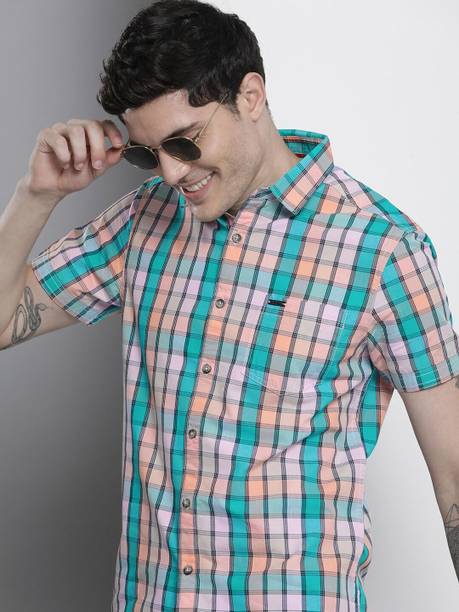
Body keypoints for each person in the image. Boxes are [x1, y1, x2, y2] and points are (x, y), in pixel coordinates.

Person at [1, 0, 458, 609]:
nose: (169, 173)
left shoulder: (382, 249)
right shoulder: (143, 220)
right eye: (147, 153)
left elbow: (454, 469)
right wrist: (36, 195)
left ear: (251, 95)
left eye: (184, 142)